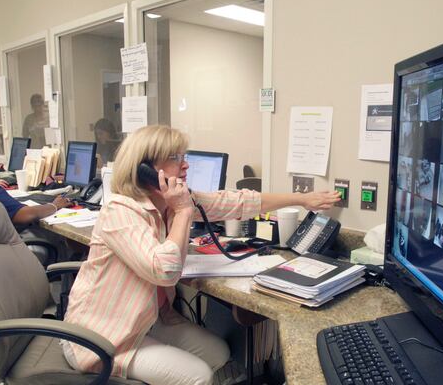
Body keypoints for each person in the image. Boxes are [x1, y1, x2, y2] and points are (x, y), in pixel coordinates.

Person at [62, 125, 340, 384]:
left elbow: (235, 202)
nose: (185, 164)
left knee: (217, 353)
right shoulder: (120, 211)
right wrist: (184, 211)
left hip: (145, 322)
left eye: (183, 156)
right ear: (145, 168)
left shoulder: (170, 203)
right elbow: (166, 270)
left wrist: (301, 199)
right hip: (101, 337)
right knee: (197, 375)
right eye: (174, 157)